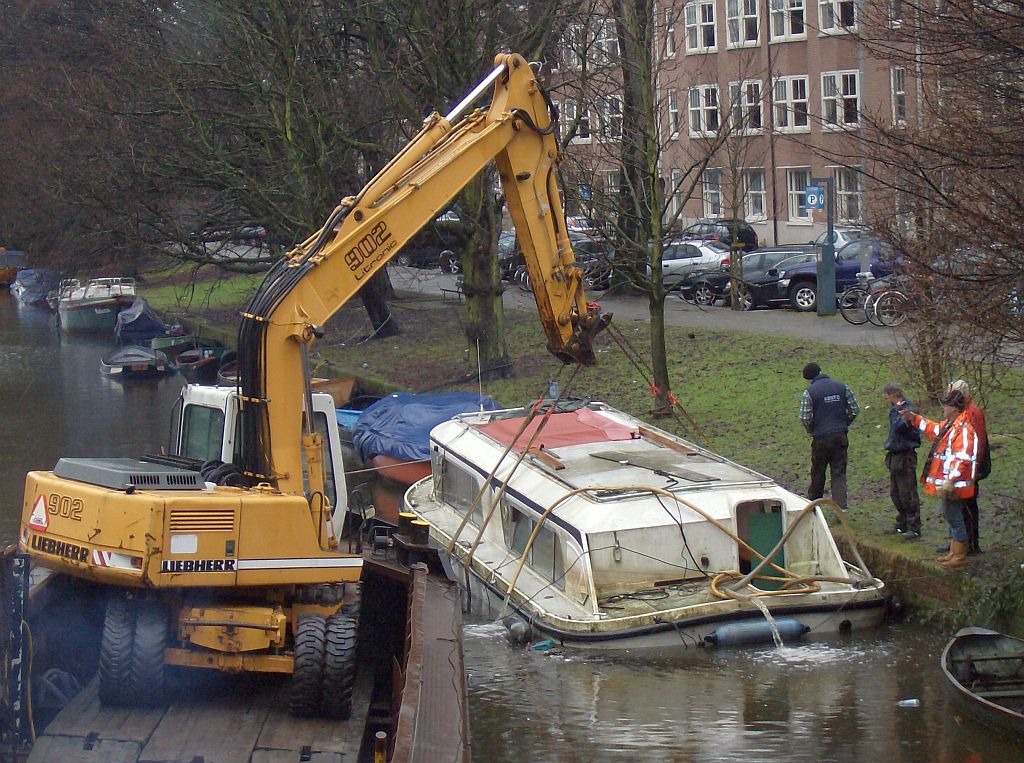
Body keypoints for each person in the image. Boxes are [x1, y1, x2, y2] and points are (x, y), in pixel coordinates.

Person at [900, 389, 979, 570]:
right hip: (951, 484)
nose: (944, 408)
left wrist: (950, 480)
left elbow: (962, 458)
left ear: (953, 408)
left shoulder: (963, 429)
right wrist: (915, 419)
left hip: (954, 485)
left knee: (954, 517)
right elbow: (933, 429)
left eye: (946, 405)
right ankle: (955, 552)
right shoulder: (953, 425)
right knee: (951, 516)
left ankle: (959, 554)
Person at [799, 362, 860, 510]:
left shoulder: (810, 392)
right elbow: (854, 409)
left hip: (820, 439)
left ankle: (814, 505)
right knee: (838, 472)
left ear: (809, 379)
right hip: (840, 436)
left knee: (818, 471)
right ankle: (841, 508)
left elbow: (805, 418)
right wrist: (844, 423)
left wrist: (812, 429)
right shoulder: (842, 387)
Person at [948, 379, 989, 554]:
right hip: (966, 468)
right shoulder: (965, 411)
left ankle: (970, 544)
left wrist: (972, 470)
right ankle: (959, 542)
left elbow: (977, 444)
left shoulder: (972, 413)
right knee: (959, 508)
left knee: (967, 507)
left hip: (971, 470)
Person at [882, 382, 921, 539]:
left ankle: (914, 525)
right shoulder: (896, 410)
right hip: (895, 454)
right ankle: (902, 522)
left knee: (908, 493)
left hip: (906, 455)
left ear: (893, 395)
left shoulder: (907, 409)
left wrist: (898, 410)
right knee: (896, 493)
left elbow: (901, 426)